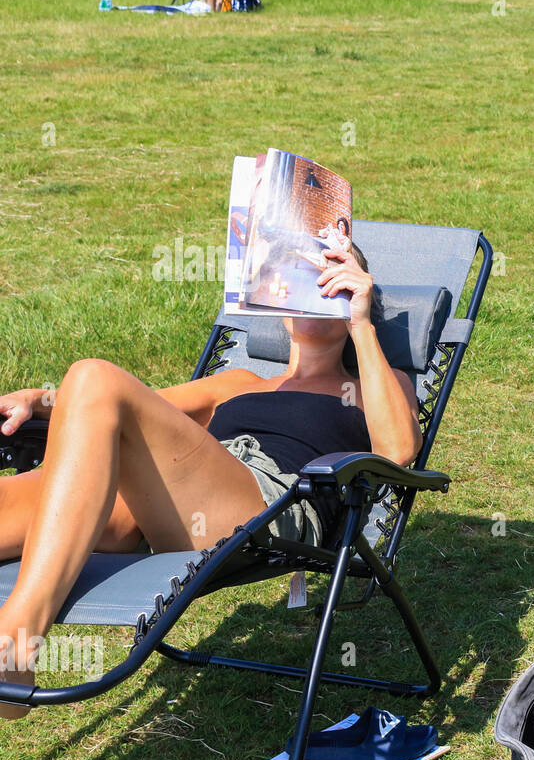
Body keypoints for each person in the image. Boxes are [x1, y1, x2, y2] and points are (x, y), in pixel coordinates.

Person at [0, 246, 420, 719]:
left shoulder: (374, 385)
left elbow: (397, 451)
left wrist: (361, 325)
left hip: (266, 508)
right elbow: (101, 410)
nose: (310, 290)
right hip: (160, 511)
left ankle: (17, 633)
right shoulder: (238, 381)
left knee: (92, 374)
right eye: (296, 278)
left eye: (329, 280)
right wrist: (39, 400)